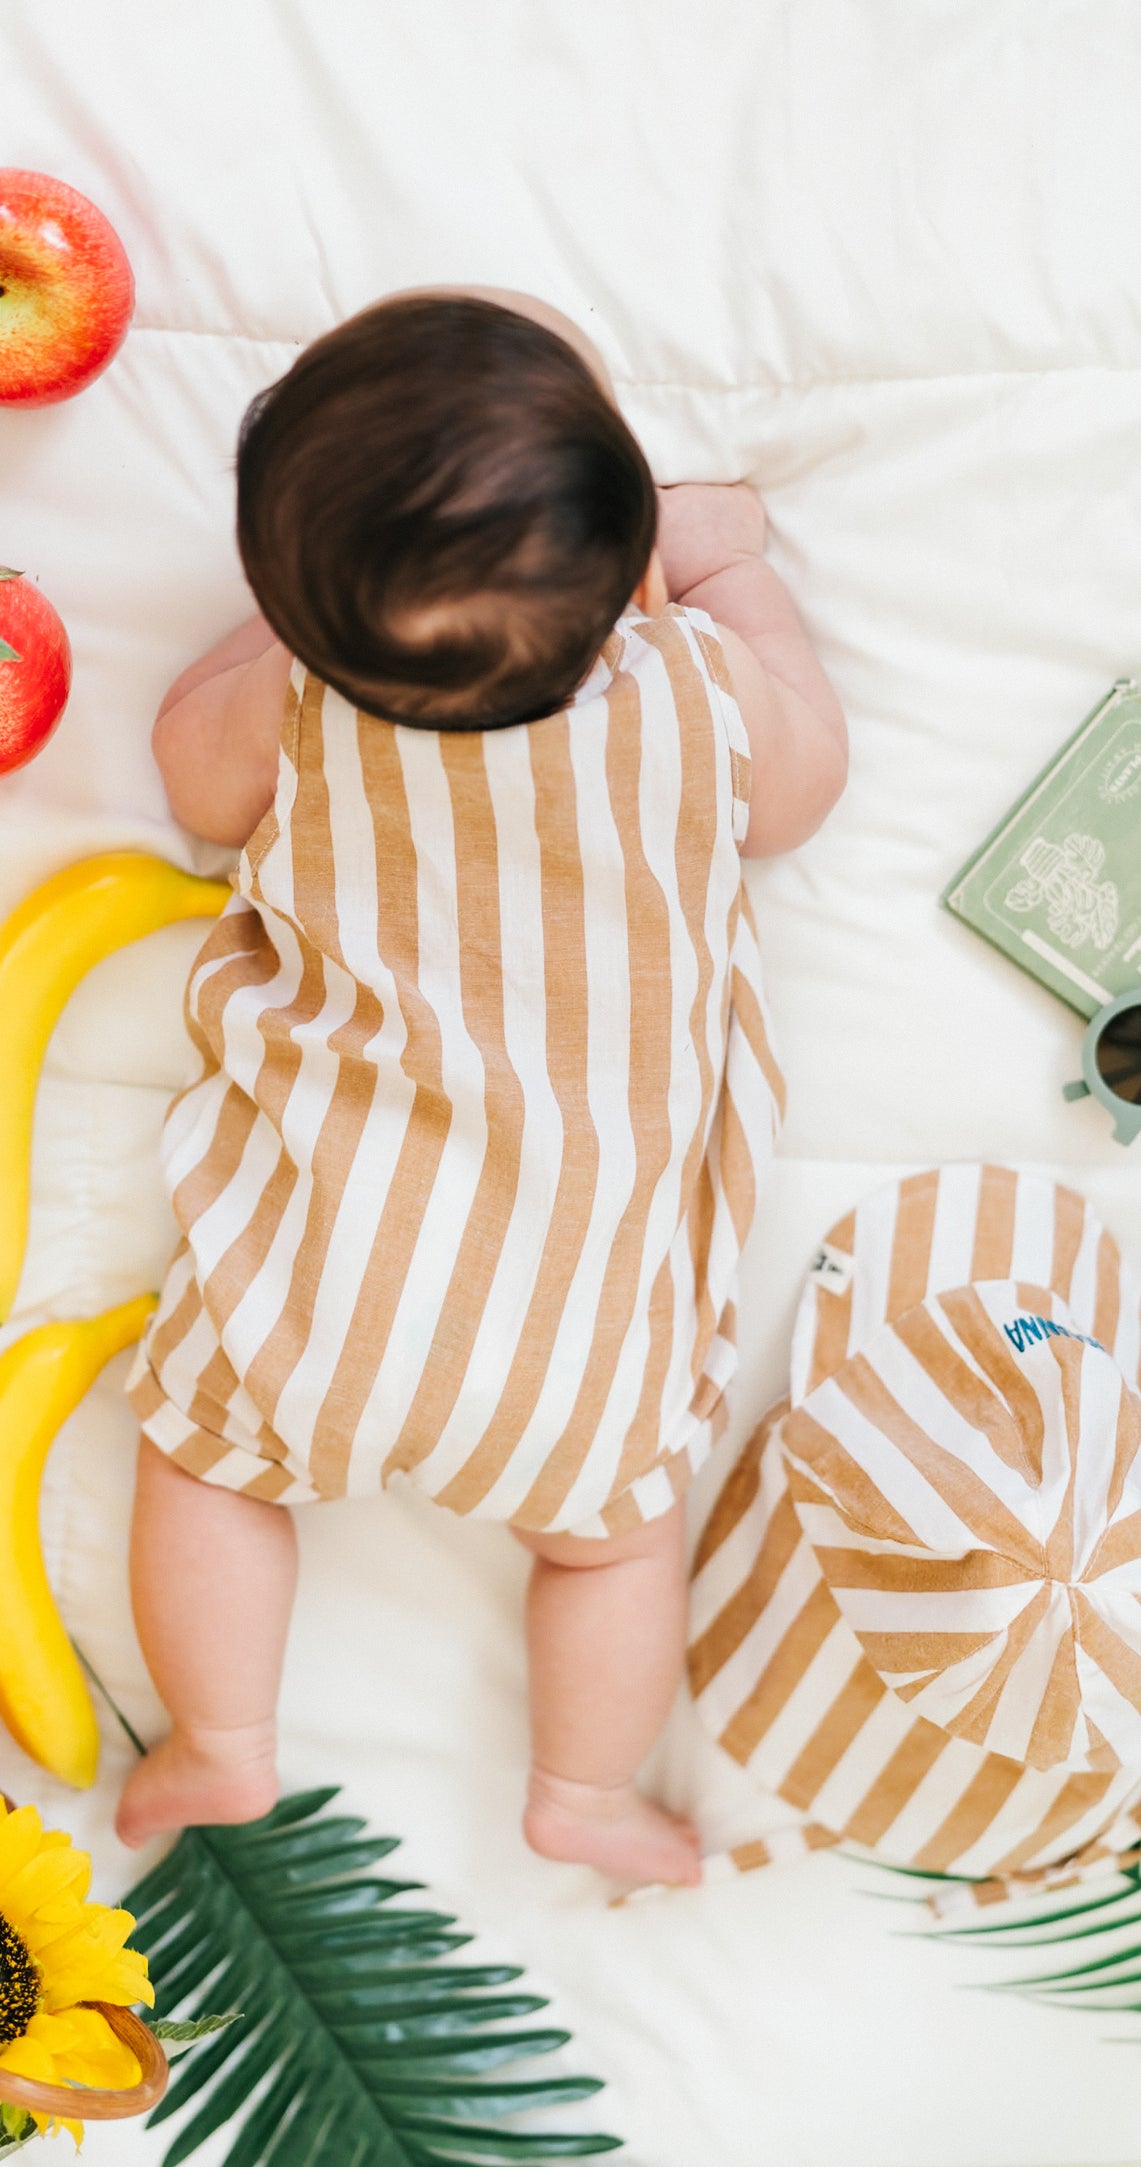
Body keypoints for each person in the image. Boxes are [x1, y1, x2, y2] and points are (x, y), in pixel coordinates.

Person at [120, 289, 846, 1884]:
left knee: (201, 1467)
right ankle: (580, 1793)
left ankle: (225, 1743)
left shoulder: (302, 711)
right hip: (570, 1332)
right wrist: (732, 582)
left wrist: (285, 635)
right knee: (609, 1546)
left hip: (322, 1274)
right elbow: (805, 786)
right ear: (624, 565)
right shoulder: (692, 695)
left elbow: (189, 768)